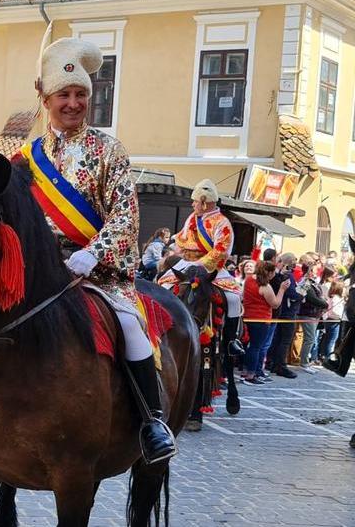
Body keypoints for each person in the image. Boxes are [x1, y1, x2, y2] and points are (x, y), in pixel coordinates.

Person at [15, 33, 174, 464]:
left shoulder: (108, 149)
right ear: (44, 99)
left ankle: (151, 421)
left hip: (97, 273)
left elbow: (126, 216)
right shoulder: (24, 157)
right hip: (38, 271)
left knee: (130, 325)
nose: (72, 103)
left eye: (80, 94)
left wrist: (93, 253)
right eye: (62, 94)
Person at [160, 179, 245, 361]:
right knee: (161, 285)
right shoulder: (192, 218)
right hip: (187, 262)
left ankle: (231, 341)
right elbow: (183, 237)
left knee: (233, 298)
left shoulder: (222, 223)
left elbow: (221, 250)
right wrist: (173, 243)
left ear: (204, 202)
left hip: (210, 267)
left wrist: (199, 264)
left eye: (195, 201)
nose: (192, 204)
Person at [242, 262, 290, 385]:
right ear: (269, 272)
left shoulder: (249, 280)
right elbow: (275, 304)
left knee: (252, 346)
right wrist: (282, 289)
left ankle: (247, 371)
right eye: (273, 272)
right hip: (261, 319)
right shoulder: (265, 286)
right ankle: (251, 374)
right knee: (256, 347)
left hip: (249, 316)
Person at [267, 253, 304, 378]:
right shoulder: (287, 275)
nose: (296, 262)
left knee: (278, 339)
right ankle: (280, 365)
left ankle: (272, 362)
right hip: (288, 312)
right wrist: (302, 295)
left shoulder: (282, 275)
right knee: (285, 340)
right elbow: (292, 294)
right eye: (294, 260)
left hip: (283, 311)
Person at [296, 257, 328, 374]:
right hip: (308, 314)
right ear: (308, 271)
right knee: (309, 339)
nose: (315, 272)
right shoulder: (305, 282)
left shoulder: (312, 282)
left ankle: (306, 362)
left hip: (314, 314)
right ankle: (304, 363)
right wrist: (325, 303)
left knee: (310, 338)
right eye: (313, 270)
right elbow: (312, 298)